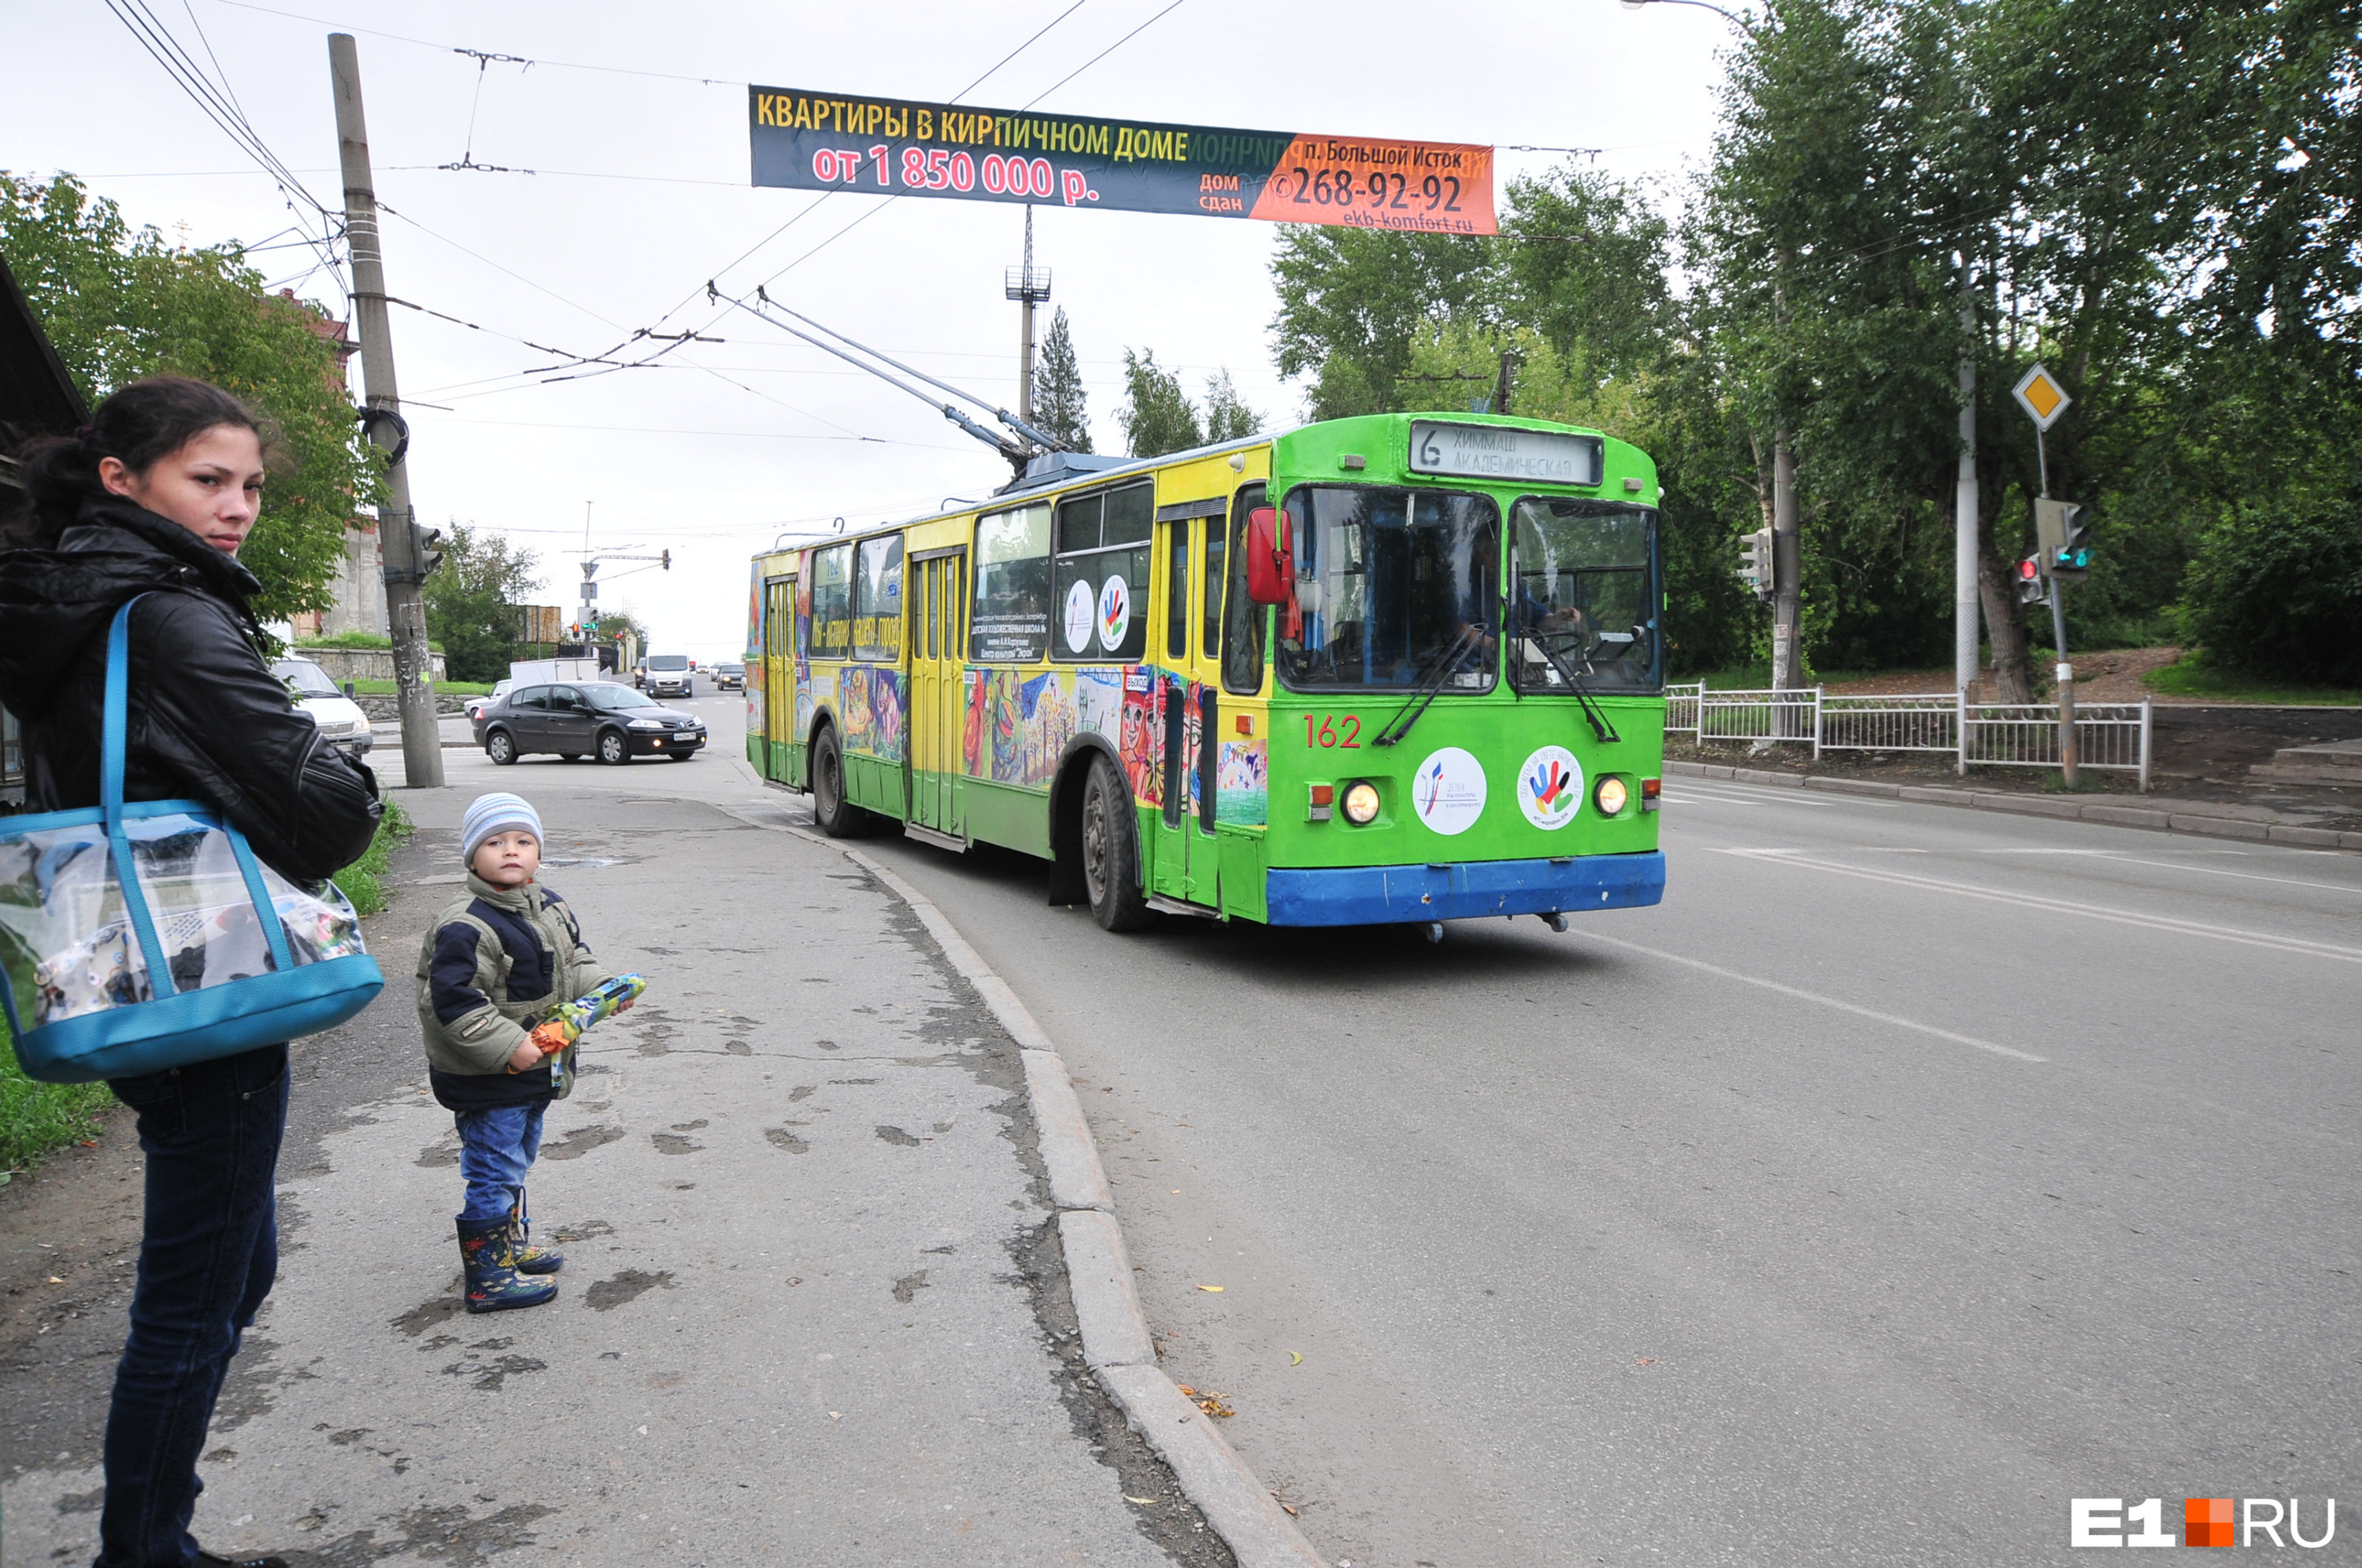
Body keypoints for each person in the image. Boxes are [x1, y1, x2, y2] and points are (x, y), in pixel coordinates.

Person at [0, 376, 384, 1568]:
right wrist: (339, 761)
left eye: (251, 487)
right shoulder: (167, 615)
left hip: (127, 960)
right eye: (207, 480)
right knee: (193, 1295)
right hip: (205, 982)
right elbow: (322, 818)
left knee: (232, 1262)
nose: (236, 510)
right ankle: (146, 1548)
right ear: (124, 480)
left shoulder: (71, 605)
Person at [416, 792, 627, 1312]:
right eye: (495, 842)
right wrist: (512, 1045)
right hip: (488, 1074)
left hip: (536, 1069)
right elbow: (451, 1002)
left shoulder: (549, 906)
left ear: (537, 853)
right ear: (471, 857)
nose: (511, 851)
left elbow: (574, 960)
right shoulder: (465, 926)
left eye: (523, 841)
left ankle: (506, 1246)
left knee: (517, 1158)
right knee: (494, 1166)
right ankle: (488, 1277)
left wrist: (601, 989)